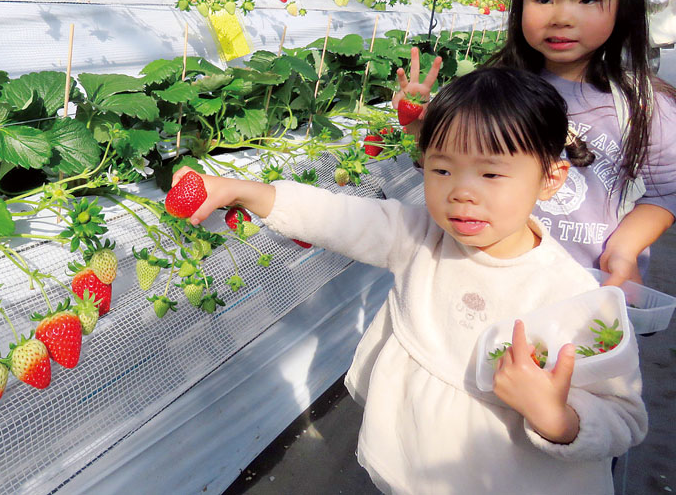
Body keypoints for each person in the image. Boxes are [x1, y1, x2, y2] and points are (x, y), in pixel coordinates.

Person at [172, 68, 647, 495]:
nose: (461, 191)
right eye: (441, 169)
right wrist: (241, 190)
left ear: (551, 178)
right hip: (409, 462)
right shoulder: (422, 236)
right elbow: (339, 217)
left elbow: (624, 416)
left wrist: (556, 418)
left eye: (491, 173)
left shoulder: (574, 297)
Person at [395, 0, 676, 288]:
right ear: (520, 2)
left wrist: (625, 248)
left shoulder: (644, 105)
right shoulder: (496, 88)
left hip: (585, 288)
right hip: (488, 281)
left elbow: (664, 194)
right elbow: (449, 160)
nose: (561, 16)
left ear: (624, 7)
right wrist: (417, 119)